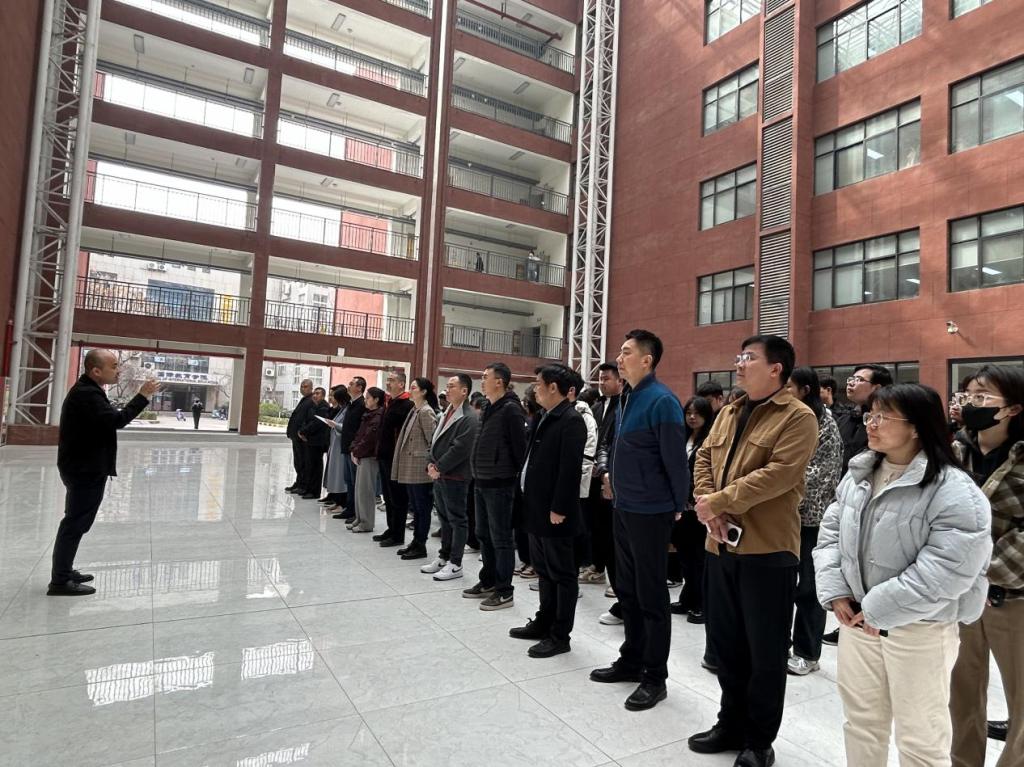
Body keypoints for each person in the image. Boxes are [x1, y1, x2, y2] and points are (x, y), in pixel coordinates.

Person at [813, 383, 992, 767]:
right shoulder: (859, 474)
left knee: (920, 738)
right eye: (870, 415)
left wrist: (876, 608)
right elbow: (830, 533)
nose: (871, 424)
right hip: (857, 622)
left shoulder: (953, 490)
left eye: (883, 417)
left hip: (919, 629)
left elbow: (947, 569)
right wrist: (837, 591)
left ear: (916, 427)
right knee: (861, 723)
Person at [688, 335, 818, 767]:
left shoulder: (798, 417)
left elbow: (779, 475)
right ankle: (730, 723)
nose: (739, 364)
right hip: (719, 543)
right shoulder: (730, 411)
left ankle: (759, 741)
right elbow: (704, 459)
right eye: (739, 356)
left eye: (749, 358)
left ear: (776, 368)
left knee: (765, 651)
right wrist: (709, 506)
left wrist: (719, 502)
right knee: (726, 644)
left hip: (767, 550)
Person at [590, 329, 687, 712]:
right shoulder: (627, 398)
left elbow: (675, 461)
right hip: (624, 508)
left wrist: (676, 506)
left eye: (626, 352)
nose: (619, 357)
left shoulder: (661, 401)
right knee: (626, 590)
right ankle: (631, 659)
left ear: (647, 360)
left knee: (651, 596)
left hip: (651, 511)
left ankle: (654, 676)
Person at [949, 365, 1024, 767]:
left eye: (982, 396)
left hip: (1012, 596)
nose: (970, 403)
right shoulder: (955, 451)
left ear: (1012, 408)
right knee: (961, 696)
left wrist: (983, 569)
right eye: (968, 395)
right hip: (962, 594)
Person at [50, 349, 159, 595]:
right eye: (114, 366)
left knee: (77, 521)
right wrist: (142, 395)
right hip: (84, 469)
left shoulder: (90, 390)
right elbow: (116, 420)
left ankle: (64, 571)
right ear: (96, 371)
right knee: (75, 523)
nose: (118, 370)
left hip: (83, 467)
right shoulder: (87, 394)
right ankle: (60, 581)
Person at [508, 364, 587, 658]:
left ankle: (560, 635)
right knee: (543, 571)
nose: (535, 388)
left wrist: (559, 507)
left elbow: (570, 470)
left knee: (562, 574)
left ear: (554, 387)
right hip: (535, 507)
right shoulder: (543, 415)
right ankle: (544, 621)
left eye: (539, 383)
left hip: (555, 512)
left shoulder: (571, 420)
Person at [822, 363, 892, 647]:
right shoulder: (845, 417)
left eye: (859, 380)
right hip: (844, 496)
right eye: (850, 379)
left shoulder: (887, 428)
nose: (851, 383)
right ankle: (848, 619)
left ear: (877, 387)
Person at [784, 367, 842, 676]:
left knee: (809, 588)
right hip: (781, 518)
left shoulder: (825, 424)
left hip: (811, 520)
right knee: (780, 585)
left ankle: (807, 652)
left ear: (805, 390)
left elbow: (821, 475)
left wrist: (778, 485)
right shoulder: (784, 417)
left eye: (789, 387)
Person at [465, 362, 528, 610]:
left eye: (485, 377)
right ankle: (488, 581)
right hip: (481, 480)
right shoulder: (488, 406)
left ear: (499, 381)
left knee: (501, 538)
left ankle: (504, 591)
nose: (482, 380)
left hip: (500, 483)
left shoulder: (511, 409)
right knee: (483, 534)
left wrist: (508, 473)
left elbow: (519, 450)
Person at [423, 375, 479, 580]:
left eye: (452, 386)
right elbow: (435, 439)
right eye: (447, 386)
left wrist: (438, 467)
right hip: (440, 474)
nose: (447, 389)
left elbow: (460, 449)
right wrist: (430, 463)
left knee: (457, 520)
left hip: (455, 476)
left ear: (464, 391)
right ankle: (444, 557)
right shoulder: (448, 411)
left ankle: (456, 563)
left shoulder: (469, 417)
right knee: (444, 519)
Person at [670, 395, 715, 623]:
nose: (692, 417)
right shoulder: (682, 437)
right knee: (685, 556)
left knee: (699, 559)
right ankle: (688, 598)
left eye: (697, 413)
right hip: (681, 507)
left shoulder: (710, 440)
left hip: (699, 507)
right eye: (688, 413)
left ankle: (702, 604)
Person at [392, 377, 440, 561]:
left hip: (420, 468)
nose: (410, 390)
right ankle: (415, 541)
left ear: (423, 391)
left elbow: (432, 442)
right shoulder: (415, 409)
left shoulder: (426, 412)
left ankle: (421, 544)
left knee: (422, 508)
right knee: (416, 509)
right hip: (411, 467)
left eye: (414, 387)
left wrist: (428, 463)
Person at [584, 363, 622, 595]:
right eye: (600, 378)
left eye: (606, 378)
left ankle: (616, 578)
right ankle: (598, 567)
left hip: (611, 476)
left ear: (619, 380)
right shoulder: (597, 406)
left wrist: (604, 467)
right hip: (593, 474)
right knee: (595, 525)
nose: (602, 382)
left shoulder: (624, 405)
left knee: (611, 529)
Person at [375, 371, 415, 548]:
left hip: (395, 457)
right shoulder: (389, 402)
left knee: (397, 497)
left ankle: (398, 534)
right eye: (387, 380)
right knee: (388, 496)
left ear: (401, 384)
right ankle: (391, 528)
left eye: (391, 380)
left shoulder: (407, 405)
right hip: (384, 455)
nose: (388, 383)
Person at [348, 387, 385, 533]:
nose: (365, 400)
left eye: (368, 397)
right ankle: (359, 518)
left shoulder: (378, 416)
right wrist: (353, 449)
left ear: (376, 400)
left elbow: (369, 439)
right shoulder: (368, 414)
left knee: (366, 491)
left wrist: (356, 451)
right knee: (359, 489)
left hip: (369, 456)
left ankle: (366, 522)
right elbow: (359, 435)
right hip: (361, 454)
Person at [335, 376, 367, 520]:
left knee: (355, 481)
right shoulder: (351, 404)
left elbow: (360, 429)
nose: (348, 386)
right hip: (347, 447)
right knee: (348, 480)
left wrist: (355, 447)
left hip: (354, 449)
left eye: (352, 384)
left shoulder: (361, 404)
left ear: (359, 388)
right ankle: (349, 509)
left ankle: (355, 512)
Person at [297, 387, 331, 500]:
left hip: (318, 442)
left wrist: (303, 431)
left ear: (323, 396)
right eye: (314, 394)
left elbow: (316, 424)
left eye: (318, 393)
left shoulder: (324, 407)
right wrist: (302, 431)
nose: (315, 396)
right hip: (310, 440)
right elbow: (306, 421)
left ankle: (314, 491)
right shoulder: (313, 406)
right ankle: (308, 488)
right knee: (309, 465)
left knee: (316, 467)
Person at [322, 386, 351, 512]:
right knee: (335, 473)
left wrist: (335, 425)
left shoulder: (348, 409)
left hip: (341, 445)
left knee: (340, 476)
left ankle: (342, 503)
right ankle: (337, 500)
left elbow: (346, 427)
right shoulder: (342, 409)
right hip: (335, 444)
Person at [285, 379, 314, 494]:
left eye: (305, 386)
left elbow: (308, 420)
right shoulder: (304, 400)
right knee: (298, 461)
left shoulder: (311, 401)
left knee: (303, 462)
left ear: (311, 388)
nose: (302, 388)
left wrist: (302, 432)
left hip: (302, 437)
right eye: (301, 386)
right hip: (296, 437)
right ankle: (299, 482)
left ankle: (303, 485)